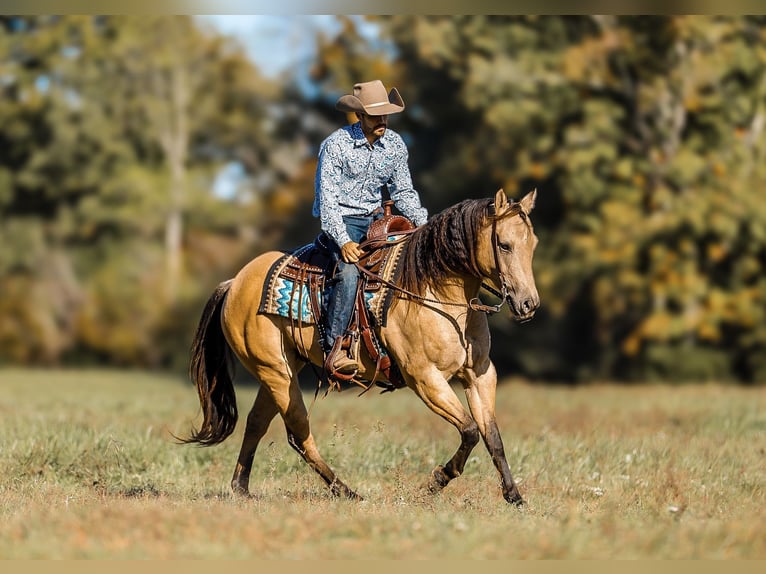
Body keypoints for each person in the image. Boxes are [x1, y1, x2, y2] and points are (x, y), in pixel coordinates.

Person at [313, 80, 428, 376]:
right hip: (342, 222)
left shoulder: (394, 144)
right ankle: (334, 348)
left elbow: (402, 192)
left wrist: (425, 224)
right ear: (359, 116)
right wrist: (342, 241)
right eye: (376, 115)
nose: (383, 121)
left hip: (377, 221)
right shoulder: (335, 145)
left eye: (385, 114)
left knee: (410, 263)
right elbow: (327, 202)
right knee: (349, 273)